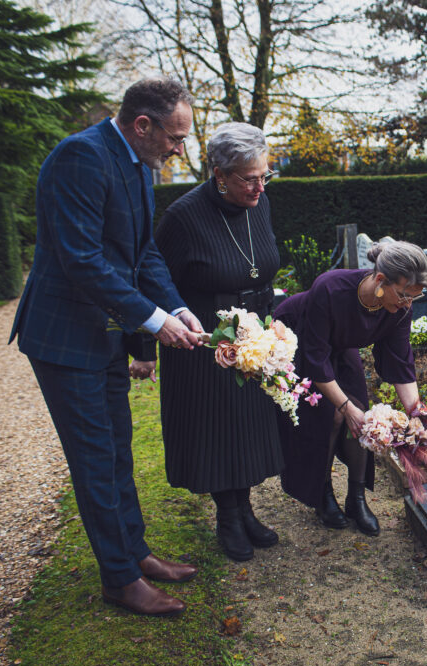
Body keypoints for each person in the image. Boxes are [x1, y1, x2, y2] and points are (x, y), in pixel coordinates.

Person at [9, 78, 204, 617]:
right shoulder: (80, 158)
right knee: (95, 459)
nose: (179, 149)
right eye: (175, 137)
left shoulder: (139, 165)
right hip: (65, 338)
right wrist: (154, 320)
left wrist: (178, 307)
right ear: (142, 125)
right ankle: (119, 580)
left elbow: (143, 255)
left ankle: (135, 552)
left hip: (105, 333)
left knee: (118, 449)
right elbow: (83, 262)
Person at [138, 122, 283, 563]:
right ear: (218, 174)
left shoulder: (259, 204)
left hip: (252, 334)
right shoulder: (183, 216)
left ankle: (246, 511)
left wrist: (270, 330)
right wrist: (145, 346)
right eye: (248, 179)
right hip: (201, 341)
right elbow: (152, 278)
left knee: (247, 427)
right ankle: (228, 518)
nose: (259, 187)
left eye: (265, 176)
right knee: (219, 430)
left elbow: (263, 267)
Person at [273, 242, 427, 537]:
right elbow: (316, 357)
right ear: (381, 281)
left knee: (365, 416)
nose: (408, 303)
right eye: (404, 294)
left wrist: (416, 414)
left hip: (341, 344)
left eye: (415, 297)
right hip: (299, 341)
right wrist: (345, 408)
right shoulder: (330, 287)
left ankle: (356, 499)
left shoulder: (398, 309)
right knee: (332, 416)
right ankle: (323, 495)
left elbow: (400, 363)